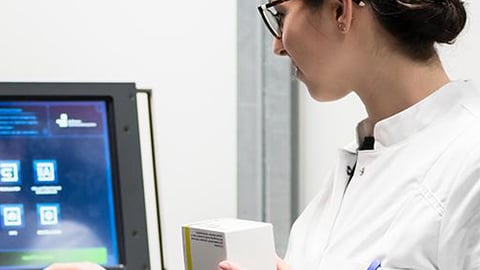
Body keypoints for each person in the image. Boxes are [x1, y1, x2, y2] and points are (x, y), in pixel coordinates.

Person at [47, 0, 478, 269]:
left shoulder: (468, 163)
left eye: (280, 14)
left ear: (340, 10)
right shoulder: (358, 164)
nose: (277, 45)